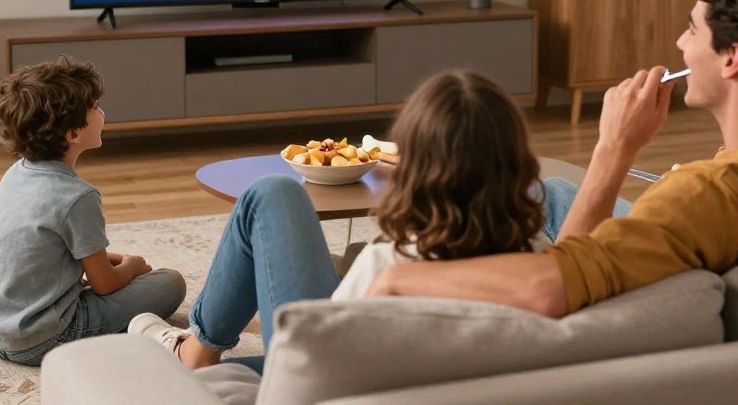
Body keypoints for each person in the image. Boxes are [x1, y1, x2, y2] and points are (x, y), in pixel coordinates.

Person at [365, 0, 738, 317]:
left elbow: (549, 288)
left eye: (692, 30)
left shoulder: (704, 198)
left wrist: (615, 146)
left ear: (732, 59)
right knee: (547, 191)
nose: (680, 42)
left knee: (304, 210)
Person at [128, 70, 548, 371]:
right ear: (519, 164)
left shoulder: (389, 269)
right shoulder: (548, 270)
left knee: (272, 193)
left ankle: (195, 350)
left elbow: (317, 365)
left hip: (327, 381)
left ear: (415, 171)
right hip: (437, 373)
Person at [0, 57, 186, 366]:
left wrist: (102, 259)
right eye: (95, 107)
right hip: (43, 340)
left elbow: (38, 249)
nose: (102, 112)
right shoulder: (78, 197)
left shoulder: (16, 174)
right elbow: (104, 284)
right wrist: (132, 266)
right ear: (72, 134)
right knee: (171, 283)